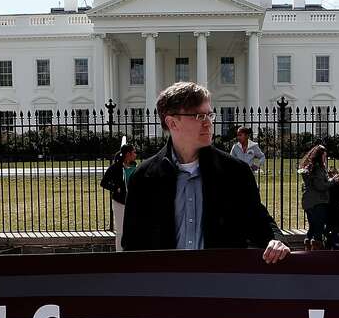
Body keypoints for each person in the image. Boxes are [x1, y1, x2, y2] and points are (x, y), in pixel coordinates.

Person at [121, 81, 289, 262]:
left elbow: (259, 222)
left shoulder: (235, 172)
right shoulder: (143, 177)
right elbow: (132, 245)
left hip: (219, 283)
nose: (209, 123)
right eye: (199, 116)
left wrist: (276, 241)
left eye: (210, 115)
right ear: (172, 122)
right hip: (166, 285)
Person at [100, 143, 137, 252]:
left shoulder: (136, 167)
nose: (135, 154)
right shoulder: (116, 167)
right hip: (119, 202)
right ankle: (120, 252)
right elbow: (104, 183)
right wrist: (116, 188)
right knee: (120, 230)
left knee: (133, 229)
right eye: (134, 152)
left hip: (133, 203)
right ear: (128, 154)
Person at [299, 145, 333, 250]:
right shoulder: (318, 168)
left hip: (308, 202)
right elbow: (320, 186)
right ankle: (316, 251)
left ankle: (308, 247)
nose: (325, 158)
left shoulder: (309, 167)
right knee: (318, 228)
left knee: (312, 227)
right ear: (320, 156)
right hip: (318, 201)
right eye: (324, 156)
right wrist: (333, 181)